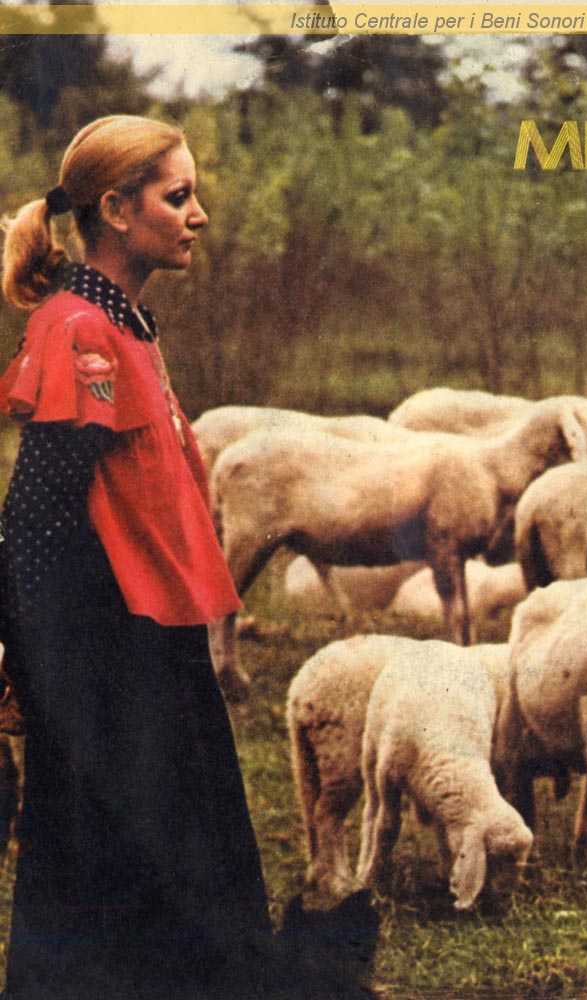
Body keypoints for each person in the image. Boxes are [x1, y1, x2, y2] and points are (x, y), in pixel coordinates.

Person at [0, 115, 282, 1000]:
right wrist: (31, 656)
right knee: (108, 863)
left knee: (187, 860)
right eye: (178, 196)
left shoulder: (125, 325)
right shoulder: (78, 328)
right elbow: (37, 508)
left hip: (150, 633)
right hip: (104, 646)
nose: (199, 215)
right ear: (118, 210)